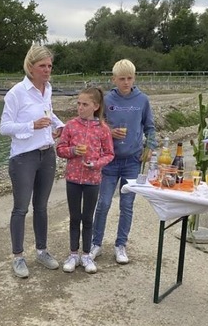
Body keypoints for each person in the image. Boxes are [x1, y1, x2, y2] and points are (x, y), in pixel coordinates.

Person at [0, 44, 65, 278]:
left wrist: (60, 126)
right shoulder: (17, 93)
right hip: (23, 157)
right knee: (20, 208)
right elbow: (4, 127)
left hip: (47, 154)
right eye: (42, 66)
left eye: (49, 66)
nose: (47, 70)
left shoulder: (47, 89)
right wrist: (31, 125)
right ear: (30, 67)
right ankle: (18, 257)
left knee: (42, 206)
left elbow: (49, 113)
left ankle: (42, 251)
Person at [90, 59, 157, 264]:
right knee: (103, 203)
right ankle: (96, 243)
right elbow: (95, 123)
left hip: (132, 161)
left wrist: (149, 147)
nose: (126, 82)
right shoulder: (107, 99)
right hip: (109, 160)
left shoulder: (142, 100)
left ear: (134, 78)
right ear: (114, 79)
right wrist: (109, 131)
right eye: (122, 79)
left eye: (129, 78)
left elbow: (150, 127)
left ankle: (121, 245)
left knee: (127, 205)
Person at [56, 87, 114, 274]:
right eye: (78, 103)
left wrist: (96, 164)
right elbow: (60, 149)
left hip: (93, 179)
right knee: (74, 217)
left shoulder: (103, 130)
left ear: (95, 106)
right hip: (72, 178)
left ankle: (87, 254)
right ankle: (73, 254)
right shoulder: (71, 125)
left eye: (85, 104)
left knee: (88, 218)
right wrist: (73, 151)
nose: (80, 107)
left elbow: (109, 154)